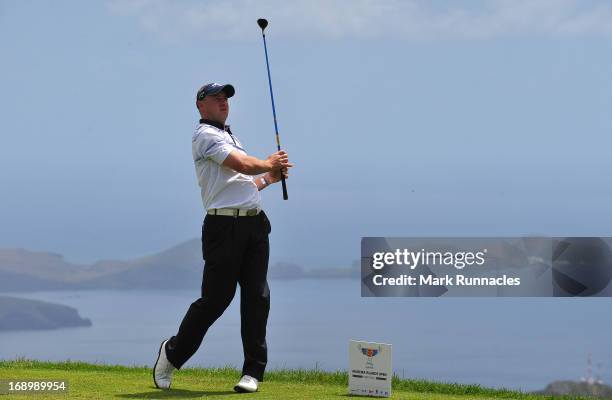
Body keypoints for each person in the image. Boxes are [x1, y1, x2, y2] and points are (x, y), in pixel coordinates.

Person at [153, 82, 293, 393]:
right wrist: (270, 162)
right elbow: (241, 165)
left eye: (225, 98)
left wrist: (270, 178)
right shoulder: (204, 136)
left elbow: (241, 185)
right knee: (216, 301)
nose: (223, 102)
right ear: (200, 105)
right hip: (223, 229)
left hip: (254, 225)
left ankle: (252, 372)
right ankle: (172, 354)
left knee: (257, 297)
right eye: (216, 98)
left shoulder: (230, 136)